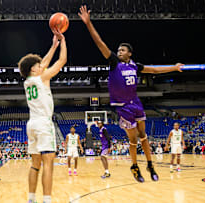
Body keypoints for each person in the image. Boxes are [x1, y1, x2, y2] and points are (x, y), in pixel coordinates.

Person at [78, 5, 183, 182]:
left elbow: (155, 71)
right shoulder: (113, 63)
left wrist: (174, 67)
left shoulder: (135, 66)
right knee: (133, 139)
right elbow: (100, 43)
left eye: (122, 50)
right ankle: (134, 166)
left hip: (135, 102)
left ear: (130, 53)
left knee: (144, 137)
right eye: (118, 50)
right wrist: (88, 24)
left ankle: (150, 164)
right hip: (123, 106)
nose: (119, 51)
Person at [18, 28, 66, 203]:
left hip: (31, 124)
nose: (42, 65)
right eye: (38, 65)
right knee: (48, 165)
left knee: (35, 165)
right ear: (33, 68)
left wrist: (53, 46)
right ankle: (47, 200)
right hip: (44, 124)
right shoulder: (42, 78)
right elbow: (62, 60)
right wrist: (63, 41)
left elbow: (43, 63)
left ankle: (31, 199)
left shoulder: (28, 81)